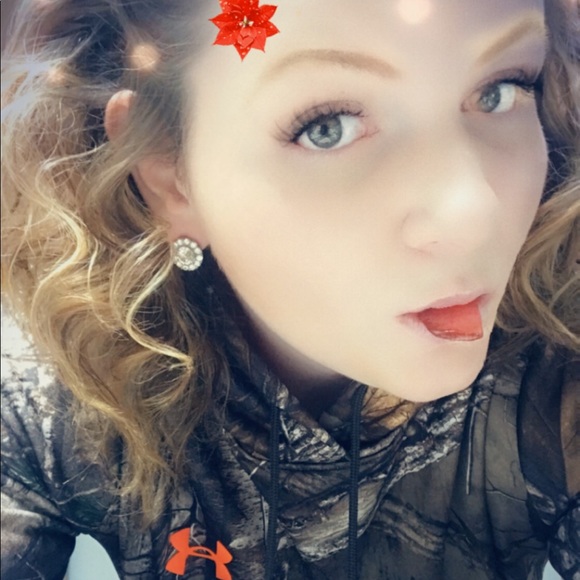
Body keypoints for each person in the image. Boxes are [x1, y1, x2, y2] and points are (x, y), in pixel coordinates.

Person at [1, 0, 579, 578]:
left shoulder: (556, 362)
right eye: (328, 128)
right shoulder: (56, 398)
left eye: (501, 90)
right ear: (170, 175)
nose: (474, 211)